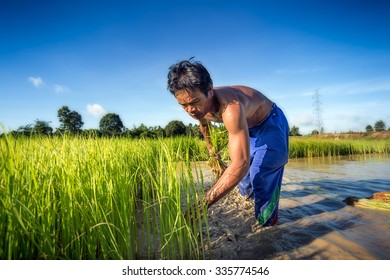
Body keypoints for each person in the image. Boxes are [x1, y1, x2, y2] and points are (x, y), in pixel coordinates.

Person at [167, 58, 289, 227]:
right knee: (244, 181)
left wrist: (204, 203)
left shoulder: (230, 107)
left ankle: (267, 228)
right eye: (183, 105)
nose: (190, 110)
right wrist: (211, 150)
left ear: (209, 91)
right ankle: (251, 204)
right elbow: (204, 126)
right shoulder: (198, 108)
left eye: (194, 102)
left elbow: (241, 163)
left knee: (260, 175)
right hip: (248, 127)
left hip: (270, 124)